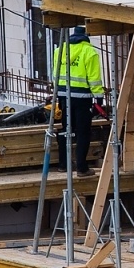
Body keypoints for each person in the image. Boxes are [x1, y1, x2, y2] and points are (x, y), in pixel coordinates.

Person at [52, 26, 105, 177]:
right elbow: (94, 78)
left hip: (64, 95)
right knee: (83, 132)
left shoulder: (59, 50)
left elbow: (54, 74)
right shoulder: (89, 52)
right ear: (86, 36)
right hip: (82, 98)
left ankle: (63, 164)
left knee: (66, 129)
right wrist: (99, 98)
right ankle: (82, 168)